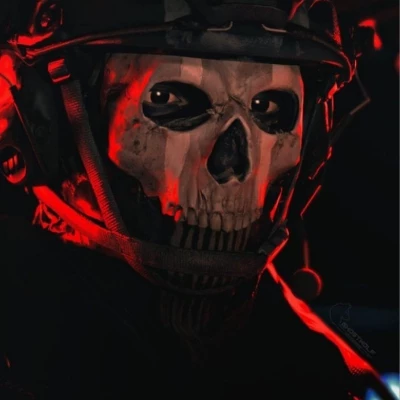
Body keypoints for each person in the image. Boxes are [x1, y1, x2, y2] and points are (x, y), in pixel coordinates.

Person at [0, 1, 395, 399]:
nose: (232, 166)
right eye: (169, 98)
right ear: (46, 125)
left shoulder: (329, 374)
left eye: (267, 108)